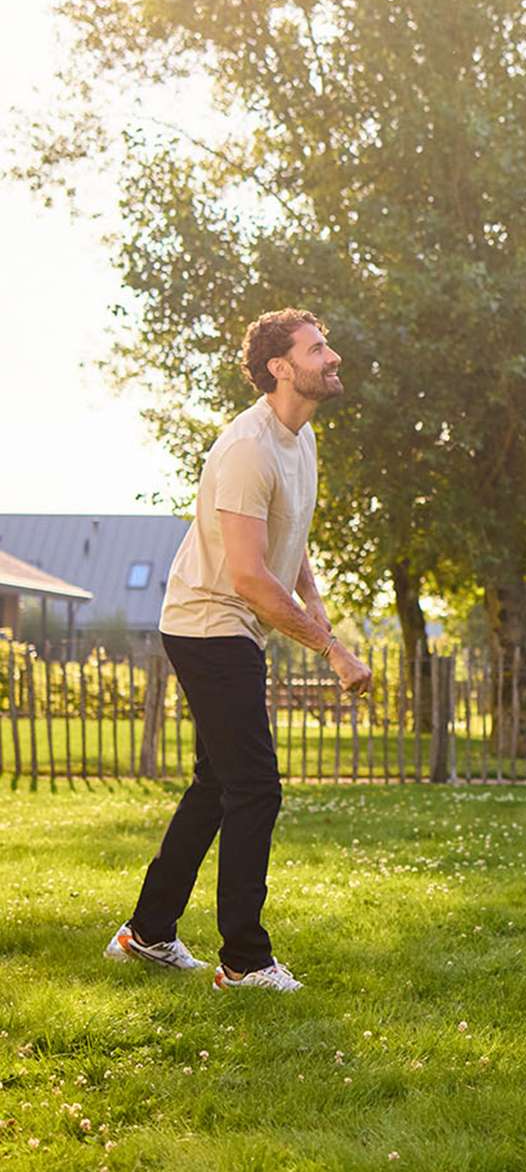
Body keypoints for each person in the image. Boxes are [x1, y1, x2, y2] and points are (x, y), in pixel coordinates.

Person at [106, 308, 372, 992]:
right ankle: (244, 961)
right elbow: (251, 576)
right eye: (319, 348)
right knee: (254, 785)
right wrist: (332, 651)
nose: (332, 356)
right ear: (281, 367)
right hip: (208, 623)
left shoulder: (299, 440)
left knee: (218, 784)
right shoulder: (247, 447)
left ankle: (148, 932)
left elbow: (291, 544)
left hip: (233, 624)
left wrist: (316, 607)